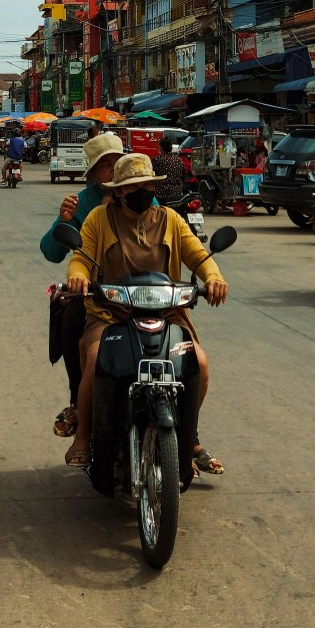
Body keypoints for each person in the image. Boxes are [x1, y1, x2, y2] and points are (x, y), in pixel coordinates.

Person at [62, 153, 228, 477]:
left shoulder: (171, 219)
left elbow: (198, 255)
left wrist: (214, 278)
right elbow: (81, 257)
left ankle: (189, 439)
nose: (142, 191)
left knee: (200, 364)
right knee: (97, 359)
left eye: (147, 185)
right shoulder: (99, 218)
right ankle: (83, 436)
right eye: (133, 186)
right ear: (119, 191)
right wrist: (78, 276)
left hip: (166, 314)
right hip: (112, 314)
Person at [41, 132, 125, 436]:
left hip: (140, 291)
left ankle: (188, 435)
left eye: (119, 161)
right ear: (93, 173)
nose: (115, 169)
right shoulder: (81, 203)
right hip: (94, 292)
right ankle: (78, 401)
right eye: (106, 164)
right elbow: (52, 253)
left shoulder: (142, 194)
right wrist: (63, 221)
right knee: (71, 323)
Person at [151, 132, 189, 207]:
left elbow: (151, 175)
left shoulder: (157, 160)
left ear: (161, 148)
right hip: (177, 195)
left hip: (160, 195)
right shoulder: (179, 160)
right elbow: (184, 176)